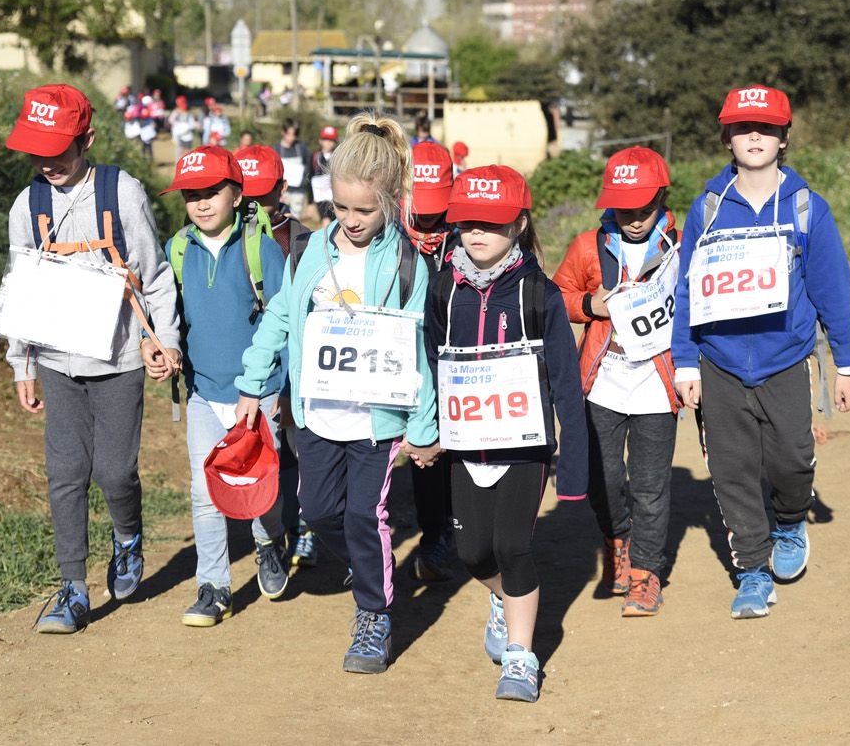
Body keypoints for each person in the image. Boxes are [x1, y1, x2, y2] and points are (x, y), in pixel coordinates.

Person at [234, 114, 438, 675]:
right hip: (317, 416)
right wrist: (255, 381)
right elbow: (281, 314)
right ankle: (367, 562)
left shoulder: (405, 262)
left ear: (391, 198)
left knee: (363, 518)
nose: (349, 220)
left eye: (363, 210)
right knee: (321, 512)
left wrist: (423, 427)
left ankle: (373, 616)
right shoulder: (309, 251)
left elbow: (414, 346)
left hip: (376, 422)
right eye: (340, 207)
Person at [671, 85, 850, 619]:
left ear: (783, 137)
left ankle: (789, 520)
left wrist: (847, 364)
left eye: (767, 128)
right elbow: (686, 289)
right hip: (719, 364)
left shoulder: (807, 208)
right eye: (742, 128)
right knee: (731, 472)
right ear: (727, 137)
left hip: (785, 362)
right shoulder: (707, 208)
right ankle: (752, 572)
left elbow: (831, 290)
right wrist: (686, 359)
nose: (754, 136)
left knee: (792, 462)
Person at [1, 83, 181, 634]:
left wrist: (165, 339)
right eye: (38, 150)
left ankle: (127, 536)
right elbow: (22, 288)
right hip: (57, 357)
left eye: (59, 149)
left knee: (114, 470)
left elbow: (153, 273)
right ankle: (72, 587)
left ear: (87, 141)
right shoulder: (26, 206)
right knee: (65, 471)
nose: (48, 162)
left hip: (120, 356)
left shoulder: (121, 192)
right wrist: (21, 363)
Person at [425, 166, 587, 703]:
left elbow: (566, 383)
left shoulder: (539, 293)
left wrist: (576, 471)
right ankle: (503, 598)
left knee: (514, 545)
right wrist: (426, 429)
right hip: (465, 447)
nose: (476, 232)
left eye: (491, 223)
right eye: (467, 221)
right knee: (473, 553)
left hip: (524, 445)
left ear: (518, 225)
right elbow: (428, 361)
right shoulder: (443, 286)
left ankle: (521, 657)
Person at [155, 146, 291, 627]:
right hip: (203, 391)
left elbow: (283, 316)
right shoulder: (177, 249)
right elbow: (170, 319)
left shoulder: (261, 248)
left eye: (213, 191)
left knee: (256, 484)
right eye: (192, 195)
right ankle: (213, 586)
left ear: (237, 194)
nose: (202, 202)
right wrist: (163, 351)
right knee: (205, 488)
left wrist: (280, 388)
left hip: (259, 392)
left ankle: (270, 541)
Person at [552, 147, 681, 617]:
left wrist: (691, 373)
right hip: (602, 379)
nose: (633, 219)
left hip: (655, 380)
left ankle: (646, 575)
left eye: (644, 208)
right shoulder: (588, 246)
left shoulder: (679, 246)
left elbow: (691, 313)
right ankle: (617, 539)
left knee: (651, 485)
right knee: (599, 477)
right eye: (624, 208)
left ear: (661, 199)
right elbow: (558, 295)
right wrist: (591, 306)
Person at [235, 143, 318, 563]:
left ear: (283, 188)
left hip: (298, 365)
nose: (256, 206)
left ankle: (306, 525)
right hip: (254, 366)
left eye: (264, 196)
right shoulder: (228, 238)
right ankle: (278, 527)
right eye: (247, 197)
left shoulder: (302, 242)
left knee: (301, 446)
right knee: (270, 450)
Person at [403, 139, 458, 583]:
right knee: (421, 454)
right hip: (402, 357)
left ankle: (448, 532)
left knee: (450, 450)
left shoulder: (467, 232)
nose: (427, 216)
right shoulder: (387, 230)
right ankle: (432, 533)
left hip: (455, 358)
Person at [276, 119, 313, 221]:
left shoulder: (302, 148)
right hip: (283, 192)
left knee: (296, 220)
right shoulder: (276, 149)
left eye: (294, 134)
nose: (291, 137)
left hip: (298, 191)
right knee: (281, 218)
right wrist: (277, 192)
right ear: (283, 132)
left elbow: (308, 169)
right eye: (289, 134)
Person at [310, 124, 339, 225]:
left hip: (335, 197)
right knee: (326, 220)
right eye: (326, 139)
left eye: (331, 140)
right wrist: (310, 203)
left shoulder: (338, 158)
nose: (328, 143)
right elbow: (309, 179)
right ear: (320, 141)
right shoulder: (315, 157)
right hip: (320, 198)